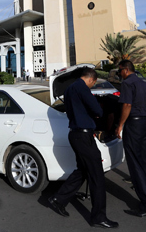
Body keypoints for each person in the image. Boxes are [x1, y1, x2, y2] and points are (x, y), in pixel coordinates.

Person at [48, 67, 119, 229]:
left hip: (76, 134)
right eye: (93, 84)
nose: (92, 86)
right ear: (91, 79)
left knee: (83, 170)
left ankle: (58, 199)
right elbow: (98, 110)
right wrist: (95, 113)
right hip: (83, 135)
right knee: (97, 175)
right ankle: (98, 217)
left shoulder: (69, 89)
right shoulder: (82, 88)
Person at [115, 59, 146, 218]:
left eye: (119, 72)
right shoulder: (143, 84)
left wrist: (120, 125)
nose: (119, 75)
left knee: (136, 165)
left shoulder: (127, 84)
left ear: (125, 70)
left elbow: (127, 105)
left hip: (135, 126)